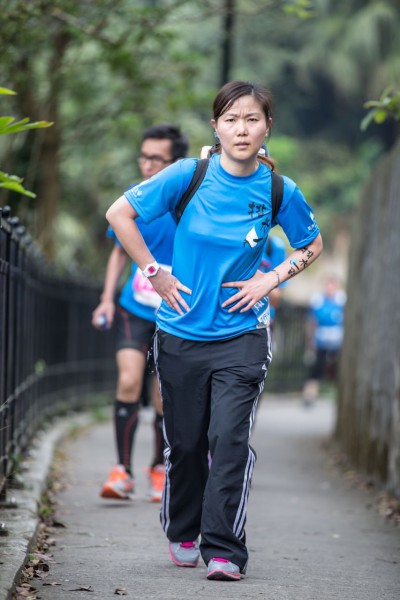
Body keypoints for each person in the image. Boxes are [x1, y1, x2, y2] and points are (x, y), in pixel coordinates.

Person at [106, 80, 323, 581]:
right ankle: (183, 528)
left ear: (267, 127)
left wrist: (270, 278)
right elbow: (119, 214)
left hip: (243, 336)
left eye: (252, 119)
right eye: (231, 119)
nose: (241, 129)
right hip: (180, 333)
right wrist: (154, 273)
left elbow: (311, 244)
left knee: (228, 440)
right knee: (185, 444)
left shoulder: (279, 191)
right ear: (216, 128)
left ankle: (225, 549)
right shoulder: (189, 175)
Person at [92, 124, 189, 502]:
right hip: (134, 307)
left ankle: (158, 468)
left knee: (164, 393)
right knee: (129, 380)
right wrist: (106, 298)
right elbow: (119, 251)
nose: (147, 165)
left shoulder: (189, 202)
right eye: (144, 157)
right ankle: (122, 470)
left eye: (156, 159)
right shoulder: (133, 200)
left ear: (175, 163)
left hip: (175, 310)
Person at [302, 274, 346, 406]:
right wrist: (310, 341)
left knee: (338, 369)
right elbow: (312, 322)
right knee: (317, 368)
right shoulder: (318, 301)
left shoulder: (342, 301)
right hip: (321, 340)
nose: (329, 287)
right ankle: (310, 395)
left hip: (338, 341)